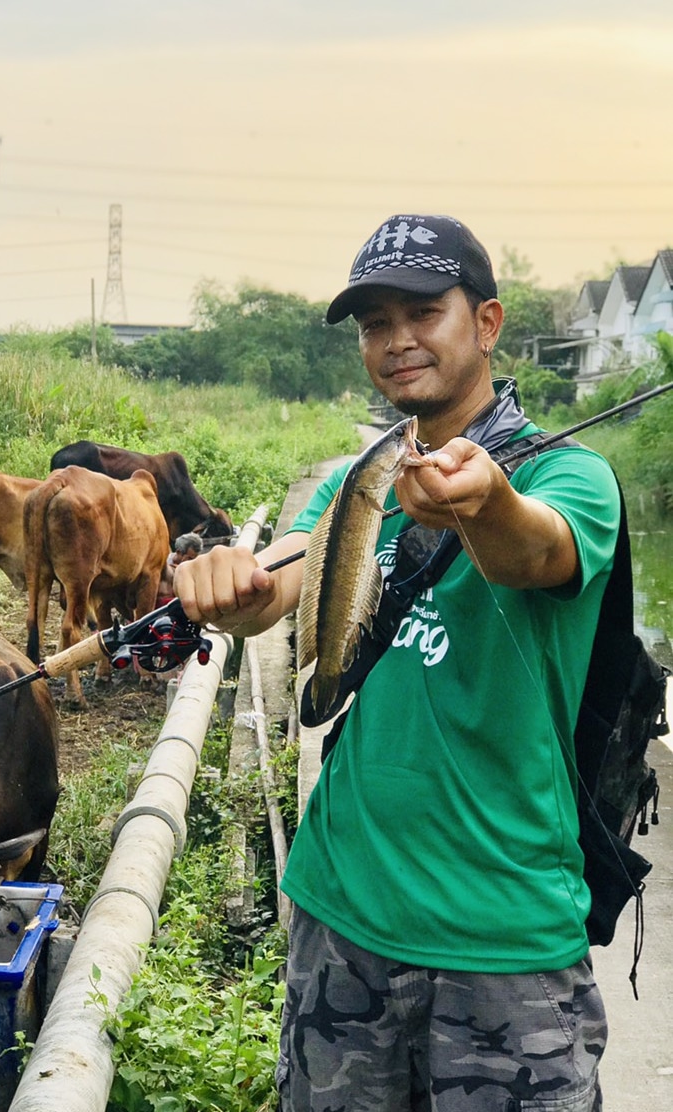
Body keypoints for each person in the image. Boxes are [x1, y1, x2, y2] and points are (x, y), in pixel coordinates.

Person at [175, 214, 617, 1111]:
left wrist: (485, 500)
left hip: (505, 944)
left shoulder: (572, 480)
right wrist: (233, 579)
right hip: (340, 919)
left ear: (486, 323)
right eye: (376, 324)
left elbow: (529, 554)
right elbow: (282, 584)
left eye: (422, 311)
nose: (397, 341)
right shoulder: (357, 483)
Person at [156, 532, 203, 607]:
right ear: (179, 552)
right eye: (189, 558)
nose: (192, 562)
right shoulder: (161, 564)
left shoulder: (195, 568)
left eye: (194, 559)